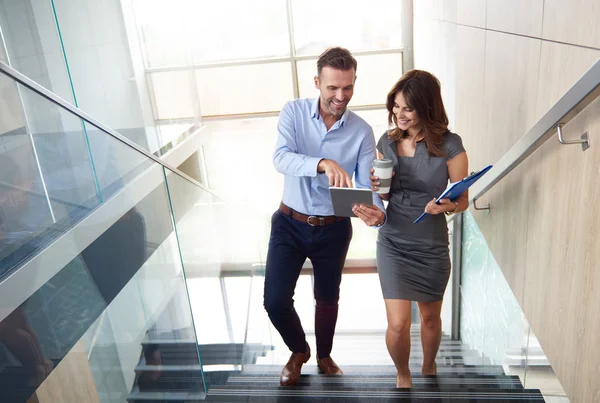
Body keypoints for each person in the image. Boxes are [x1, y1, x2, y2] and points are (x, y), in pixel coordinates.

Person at [264, 47, 386, 387]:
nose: (340, 96)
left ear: (354, 82)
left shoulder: (361, 131)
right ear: (318, 82)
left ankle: (324, 355)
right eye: (332, 87)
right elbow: (281, 158)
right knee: (274, 301)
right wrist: (322, 163)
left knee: (327, 297)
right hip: (289, 223)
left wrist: (377, 212)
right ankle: (299, 350)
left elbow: (367, 182)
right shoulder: (293, 112)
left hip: (334, 228)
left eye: (347, 87)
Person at [362, 70, 468, 388]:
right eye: (396, 107)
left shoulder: (450, 144)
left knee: (430, 318)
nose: (399, 114)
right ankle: (403, 373)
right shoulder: (388, 141)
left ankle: (429, 364)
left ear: (426, 106)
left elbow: (461, 200)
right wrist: (376, 188)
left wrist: (444, 205)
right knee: (397, 324)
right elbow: (383, 194)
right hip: (393, 239)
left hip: (431, 242)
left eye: (407, 108)